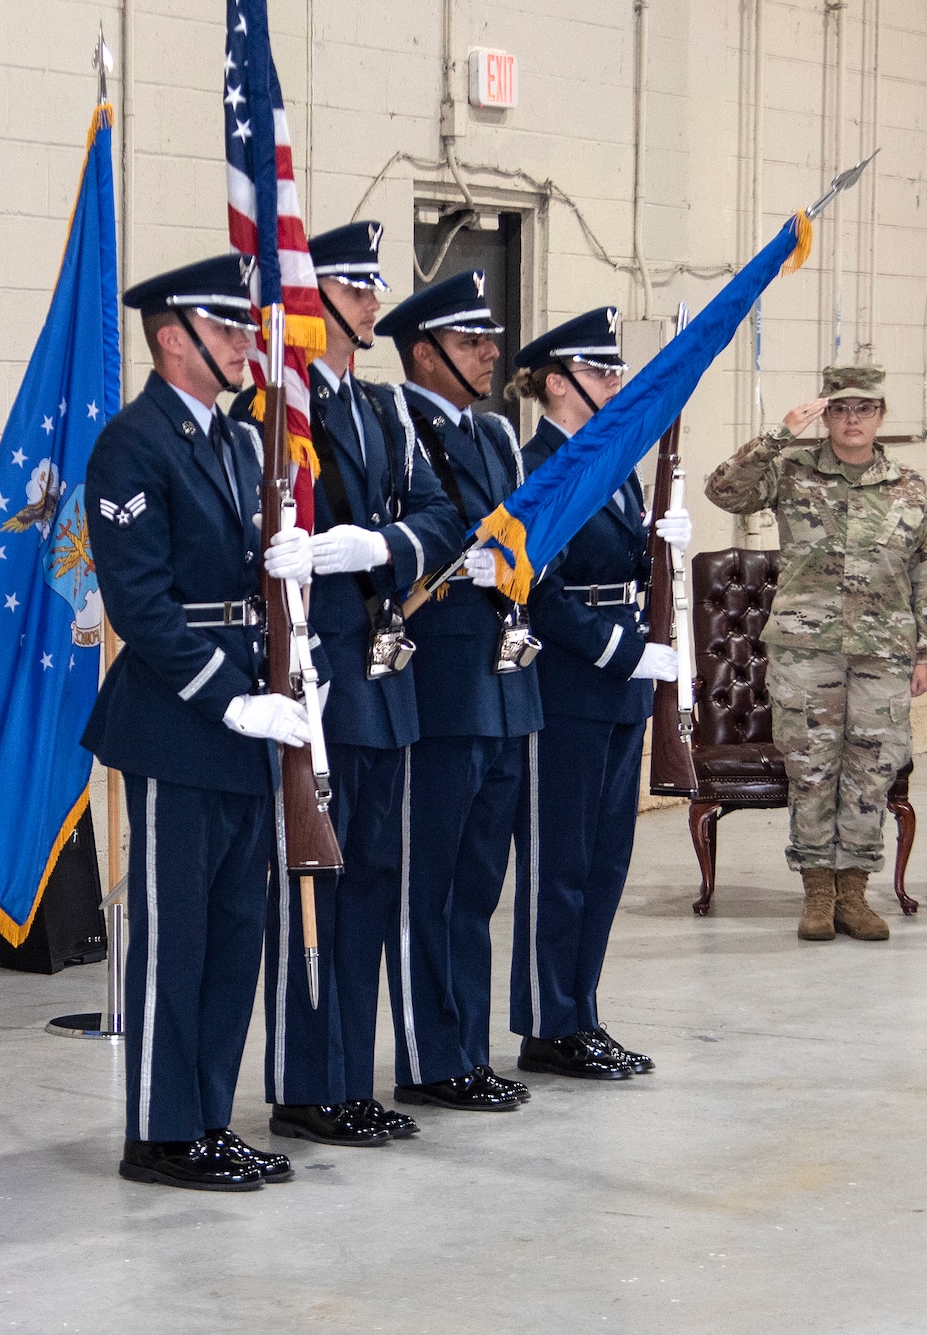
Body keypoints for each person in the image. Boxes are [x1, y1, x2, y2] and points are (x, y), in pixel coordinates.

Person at [82, 254, 318, 1191]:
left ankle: (208, 1118)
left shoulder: (232, 441)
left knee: (232, 930)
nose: (244, 346)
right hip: (181, 723)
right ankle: (157, 1130)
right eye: (226, 330)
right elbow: (140, 606)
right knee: (175, 933)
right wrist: (232, 694)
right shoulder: (131, 446)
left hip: (249, 719)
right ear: (173, 336)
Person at [248, 223, 464, 1147]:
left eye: (376, 285)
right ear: (313, 296)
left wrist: (375, 546)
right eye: (356, 284)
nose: (373, 300)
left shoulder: (382, 409)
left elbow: (440, 513)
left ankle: (347, 1071)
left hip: (382, 672)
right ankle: (305, 1080)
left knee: (371, 877)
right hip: (317, 667)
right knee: (316, 875)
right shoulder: (279, 411)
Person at [507, 308, 690, 1080]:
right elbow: (535, 592)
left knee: (608, 858)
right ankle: (547, 1022)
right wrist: (625, 650)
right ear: (559, 381)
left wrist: (665, 549)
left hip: (618, 690)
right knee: (560, 861)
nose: (617, 383)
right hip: (566, 683)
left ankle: (580, 1010)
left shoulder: (612, 464)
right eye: (603, 371)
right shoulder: (537, 465)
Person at [373, 268, 539, 1112]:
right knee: (427, 881)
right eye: (471, 342)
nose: (487, 355)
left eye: (488, 341)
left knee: (477, 881)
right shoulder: (393, 420)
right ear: (424, 351)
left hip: (503, 684)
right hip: (436, 680)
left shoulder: (499, 437)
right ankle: (430, 1055)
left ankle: (467, 1046)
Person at [706, 365, 927, 941]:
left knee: (871, 770)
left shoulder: (909, 486)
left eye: (864, 409)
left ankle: (855, 894)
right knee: (811, 769)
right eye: (841, 409)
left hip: (884, 650)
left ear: (881, 415)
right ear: (826, 415)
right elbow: (724, 491)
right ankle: (817, 894)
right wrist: (778, 436)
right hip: (805, 647)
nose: (853, 419)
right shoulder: (792, 470)